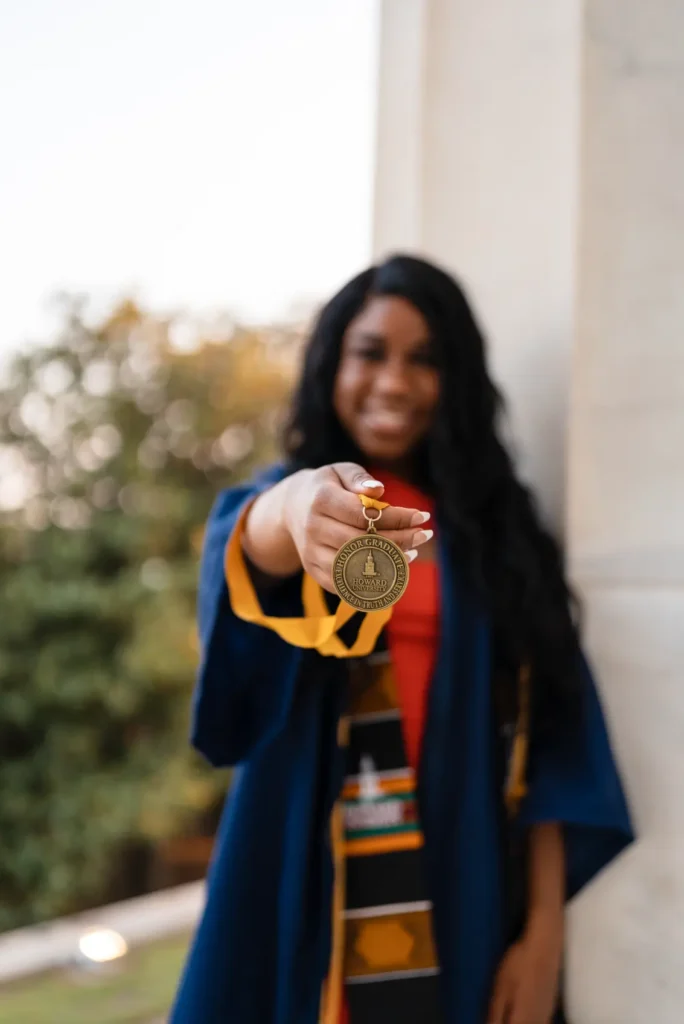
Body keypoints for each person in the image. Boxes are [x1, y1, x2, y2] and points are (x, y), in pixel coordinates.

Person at [170, 255, 633, 1024]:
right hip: (305, 861)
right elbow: (254, 541)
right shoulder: (300, 501)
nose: (394, 381)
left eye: (424, 359)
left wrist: (544, 933)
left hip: (461, 857)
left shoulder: (499, 543)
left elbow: (553, 741)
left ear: (456, 379)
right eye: (370, 353)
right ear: (332, 364)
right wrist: (297, 505)